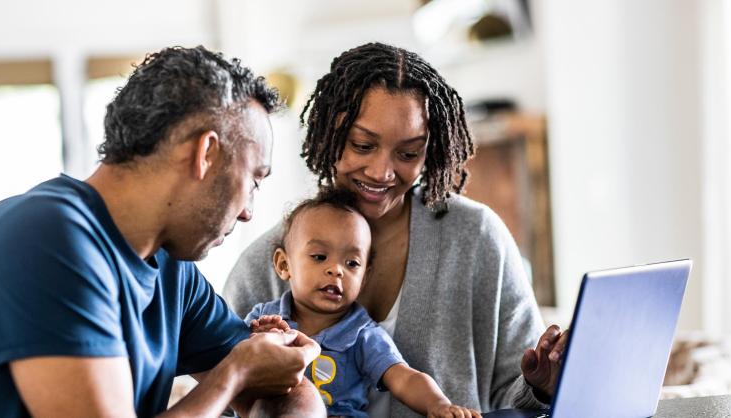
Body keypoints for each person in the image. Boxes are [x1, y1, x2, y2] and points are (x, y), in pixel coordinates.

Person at [0, 46, 325, 418]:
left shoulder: (171, 267)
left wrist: (267, 375)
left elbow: (280, 383)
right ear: (205, 154)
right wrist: (234, 375)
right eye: (253, 179)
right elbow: (243, 370)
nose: (250, 211)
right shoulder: (44, 239)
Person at [223, 42, 568, 417]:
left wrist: (542, 387)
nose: (382, 172)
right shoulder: (262, 265)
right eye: (362, 144)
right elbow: (223, 400)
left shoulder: (476, 237)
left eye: (408, 154)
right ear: (327, 134)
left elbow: (515, 401)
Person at [245, 188, 482, 418]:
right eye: (319, 257)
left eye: (352, 263)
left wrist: (438, 405)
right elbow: (226, 366)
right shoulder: (264, 318)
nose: (336, 270)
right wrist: (253, 345)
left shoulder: (362, 334)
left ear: (364, 278)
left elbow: (404, 377)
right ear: (284, 265)